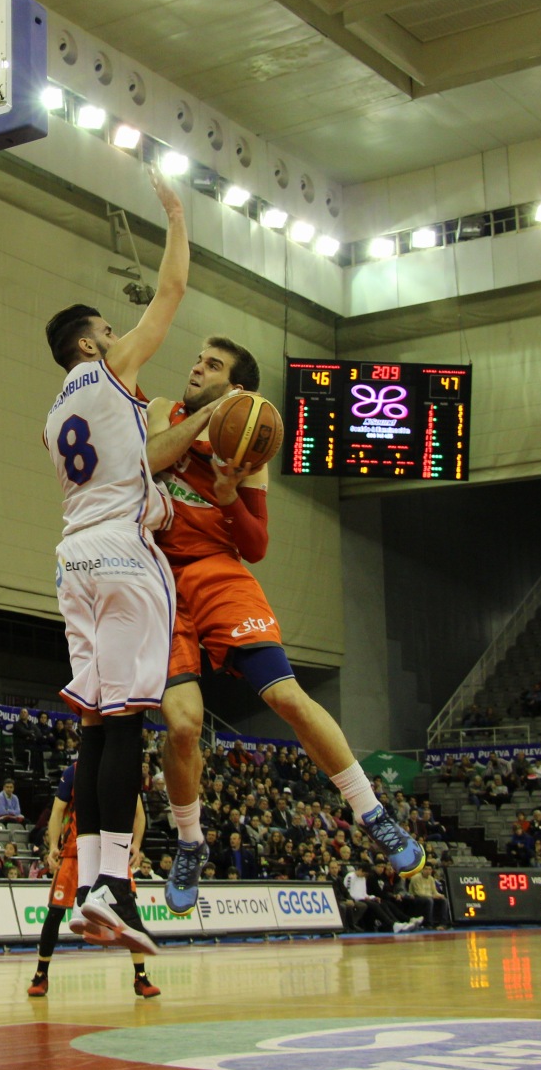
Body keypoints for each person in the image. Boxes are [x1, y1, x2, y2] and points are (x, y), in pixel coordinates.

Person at [145, 338, 425, 916]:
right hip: (158, 577)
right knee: (182, 727)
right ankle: (190, 841)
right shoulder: (163, 410)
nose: (198, 366)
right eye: (199, 359)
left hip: (219, 573)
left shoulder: (251, 447)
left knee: (288, 695)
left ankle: (372, 810)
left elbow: (257, 544)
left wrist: (229, 497)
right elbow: (149, 459)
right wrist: (203, 421)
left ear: (238, 388)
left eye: (213, 365)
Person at [37, 170, 191, 952]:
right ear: (91, 343)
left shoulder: (53, 413)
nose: (117, 331)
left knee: (100, 724)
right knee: (128, 721)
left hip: (71, 561)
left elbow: (135, 459)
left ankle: (104, 887)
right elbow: (171, 292)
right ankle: (114, 884)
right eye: (107, 326)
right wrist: (174, 216)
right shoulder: (110, 369)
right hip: (125, 559)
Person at [28, 761, 158, 998]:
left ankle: (141, 977)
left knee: (129, 913)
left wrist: (137, 845)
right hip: (75, 851)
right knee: (55, 912)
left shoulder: (121, 770)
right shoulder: (75, 771)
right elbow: (57, 811)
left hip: (112, 853)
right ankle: (41, 974)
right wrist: (53, 845)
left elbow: (138, 814)